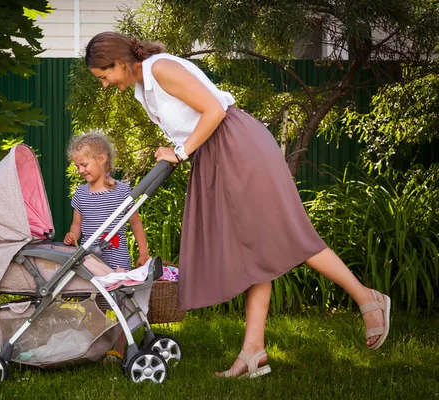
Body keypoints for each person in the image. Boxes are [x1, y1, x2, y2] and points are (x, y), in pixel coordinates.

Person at [83, 31, 391, 378]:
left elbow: (214, 109)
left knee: (288, 235)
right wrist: (177, 149)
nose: (105, 85)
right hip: (217, 154)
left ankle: (368, 298)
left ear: (118, 62)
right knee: (253, 250)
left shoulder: (160, 68)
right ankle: (253, 352)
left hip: (237, 146)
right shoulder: (144, 87)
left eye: (104, 76)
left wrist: (181, 151)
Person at [64, 132, 150, 363]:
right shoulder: (80, 194)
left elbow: (135, 223)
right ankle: (98, 346)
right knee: (95, 303)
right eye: (77, 166)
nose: (80, 170)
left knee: (122, 302)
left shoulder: (122, 192)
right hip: (91, 260)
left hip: (117, 256)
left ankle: (119, 349)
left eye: (84, 164)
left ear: (102, 158)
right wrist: (73, 234)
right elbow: (77, 224)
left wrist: (144, 252)